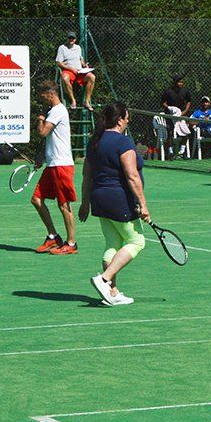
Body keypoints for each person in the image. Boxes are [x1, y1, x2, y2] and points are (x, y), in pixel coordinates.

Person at [79, 102, 149, 306]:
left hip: (99, 199)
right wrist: (143, 204)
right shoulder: (123, 142)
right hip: (119, 199)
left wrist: (85, 203)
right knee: (137, 242)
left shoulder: (94, 142)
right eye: (127, 118)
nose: (128, 121)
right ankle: (103, 279)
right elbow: (132, 175)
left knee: (113, 245)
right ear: (120, 120)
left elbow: (86, 176)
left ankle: (112, 292)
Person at [31, 82, 78, 254]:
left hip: (62, 165)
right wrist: (42, 158)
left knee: (64, 205)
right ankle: (53, 236)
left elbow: (43, 132)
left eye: (43, 96)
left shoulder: (58, 110)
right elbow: (49, 138)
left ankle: (71, 243)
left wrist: (40, 119)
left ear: (51, 94)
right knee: (36, 199)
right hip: (52, 164)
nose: (41, 99)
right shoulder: (52, 111)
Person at [55, 30, 96, 110]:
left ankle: (86, 102)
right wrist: (71, 69)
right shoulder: (62, 48)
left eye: (73, 38)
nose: (71, 40)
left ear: (75, 39)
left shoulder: (78, 48)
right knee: (65, 78)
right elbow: (59, 63)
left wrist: (84, 65)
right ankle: (73, 100)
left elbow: (81, 59)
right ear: (67, 38)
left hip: (80, 71)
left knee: (92, 77)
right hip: (69, 71)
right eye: (70, 38)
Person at [159, 75, 192, 158]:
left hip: (181, 116)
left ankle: (182, 152)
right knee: (170, 133)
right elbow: (163, 102)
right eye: (179, 82)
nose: (181, 83)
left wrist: (184, 111)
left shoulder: (185, 91)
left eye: (182, 82)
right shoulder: (168, 91)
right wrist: (169, 108)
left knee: (185, 132)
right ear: (174, 83)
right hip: (170, 116)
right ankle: (170, 152)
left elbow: (189, 102)